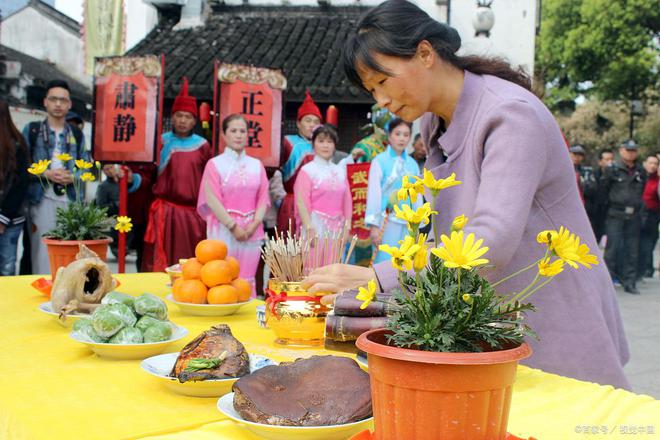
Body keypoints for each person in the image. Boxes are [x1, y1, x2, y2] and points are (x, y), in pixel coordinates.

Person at [303, 0, 629, 389]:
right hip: (492, 316)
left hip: (552, 311)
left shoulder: (509, 115)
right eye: (372, 90)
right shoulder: (433, 120)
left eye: (383, 81)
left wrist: (379, 277)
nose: (381, 101)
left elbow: (490, 241)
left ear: (425, 53)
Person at [142, 77, 212, 272]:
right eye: (179, 115)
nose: (182, 120)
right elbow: (147, 176)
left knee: (190, 264)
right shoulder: (161, 142)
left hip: (192, 215)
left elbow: (210, 182)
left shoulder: (203, 146)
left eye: (188, 117)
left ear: (194, 120)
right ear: (172, 117)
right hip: (164, 211)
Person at [197, 114, 269, 295]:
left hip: (252, 230)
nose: (238, 135)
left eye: (242, 131)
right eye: (233, 131)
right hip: (223, 230)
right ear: (223, 134)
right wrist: (233, 226)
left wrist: (254, 224)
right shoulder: (215, 164)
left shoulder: (256, 165)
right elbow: (212, 199)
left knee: (246, 278)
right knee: (221, 277)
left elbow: (263, 198)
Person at [22, 80, 88, 275]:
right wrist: (47, 173)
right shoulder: (32, 130)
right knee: (41, 248)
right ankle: (42, 289)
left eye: (63, 100)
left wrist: (73, 175)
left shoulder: (76, 132)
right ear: (45, 102)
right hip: (41, 197)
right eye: (53, 99)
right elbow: (22, 166)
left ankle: (67, 292)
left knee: (70, 247)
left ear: (69, 104)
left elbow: (86, 164)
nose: (58, 104)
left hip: (70, 197)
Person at [365, 118, 420, 264]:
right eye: (398, 134)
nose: (402, 138)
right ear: (389, 136)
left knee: (406, 263)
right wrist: (374, 226)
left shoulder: (412, 164)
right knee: (384, 261)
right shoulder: (379, 161)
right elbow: (374, 194)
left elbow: (417, 194)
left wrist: (417, 224)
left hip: (407, 223)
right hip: (386, 220)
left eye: (406, 135)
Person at [601, 140, 646, 294]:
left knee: (632, 250)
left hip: (633, 215)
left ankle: (630, 282)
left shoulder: (640, 170)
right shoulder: (612, 169)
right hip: (616, 213)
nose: (631, 153)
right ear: (621, 151)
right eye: (628, 150)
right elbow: (604, 192)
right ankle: (606, 283)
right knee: (611, 249)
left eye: (633, 150)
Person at [294, 124, 352, 241]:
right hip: (314, 226)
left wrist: (347, 227)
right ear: (313, 144)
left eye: (330, 142)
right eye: (321, 141)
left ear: (335, 146)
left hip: (337, 228)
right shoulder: (307, 170)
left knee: (334, 259)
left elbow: (347, 201)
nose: (325, 145)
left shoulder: (340, 171)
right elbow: (301, 202)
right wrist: (309, 227)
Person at [277, 91, 322, 233]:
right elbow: (274, 172)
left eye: (316, 122)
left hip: (318, 205)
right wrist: (280, 199)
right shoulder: (287, 142)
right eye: (308, 121)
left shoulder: (323, 147)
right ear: (298, 123)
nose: (311, 125)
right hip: (293, 202)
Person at [0, 100, 29, 276]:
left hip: (9, 219)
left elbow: (20, 183)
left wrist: (2, 218)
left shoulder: (16, 143)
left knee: (6, 267)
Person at [638, 154, 659, 279]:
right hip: (638, 213)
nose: (653, 166)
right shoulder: (639, 176)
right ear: (645, 163)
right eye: (650, 163)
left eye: (655, 164)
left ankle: (647, 269)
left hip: (652, 215)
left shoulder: (657, 180)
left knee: (648, 244)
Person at [592, 148, 614, 243]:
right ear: (600, 162)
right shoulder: (593, 175)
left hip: (610, 211)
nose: (610, 162)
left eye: (611, 159)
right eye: (607, 159)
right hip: (595, 211)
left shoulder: (616, 175)